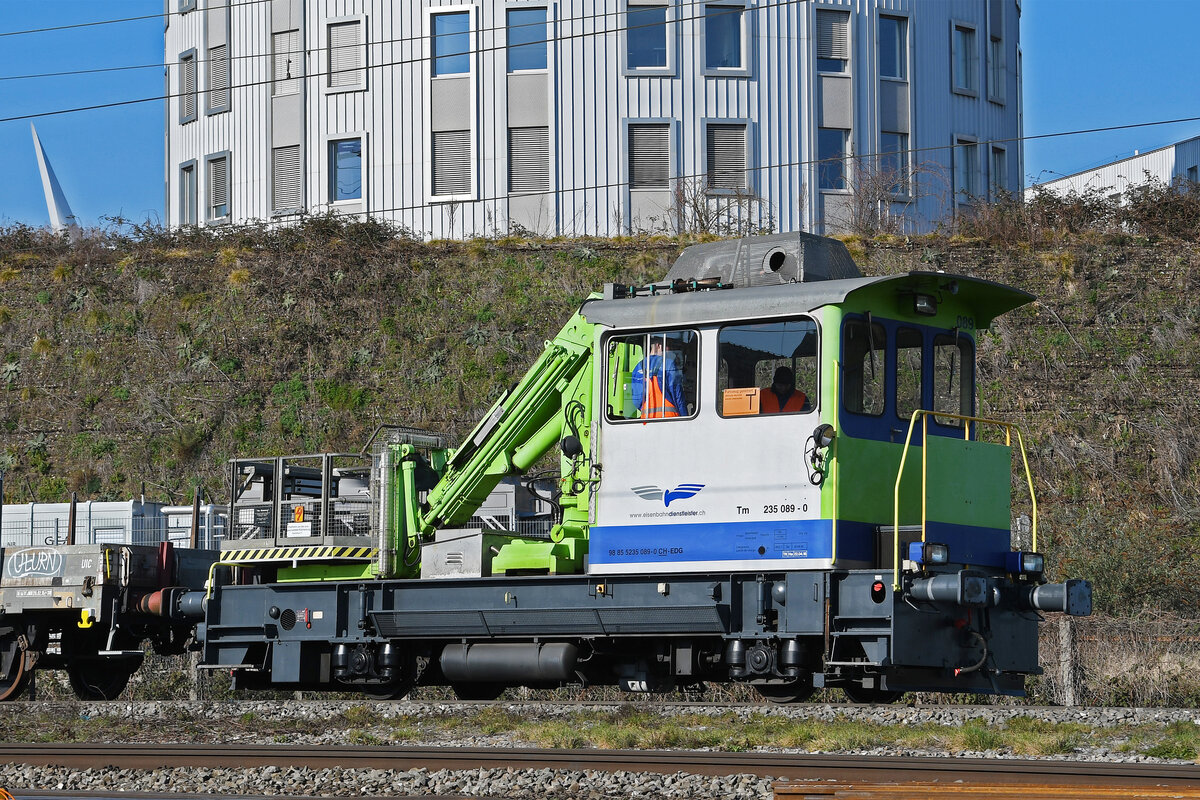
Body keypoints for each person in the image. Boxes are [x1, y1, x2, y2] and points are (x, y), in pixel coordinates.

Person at [631, 337, 685, 418]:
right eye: (667, 346)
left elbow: (636, 401)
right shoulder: (668, 363)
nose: (668, 349)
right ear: (659, 346)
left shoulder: (638, 367)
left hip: (646, 418)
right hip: (668, 419)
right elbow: (677, 395)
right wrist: (684, 416)